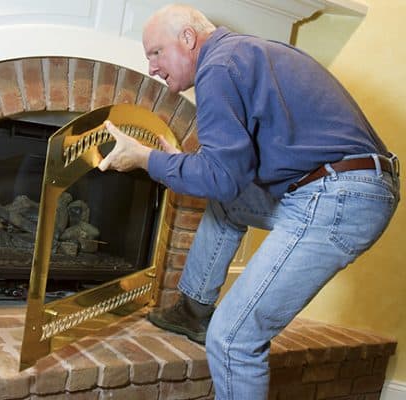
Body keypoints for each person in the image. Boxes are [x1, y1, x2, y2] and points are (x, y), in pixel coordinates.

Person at [97, 3, 400, 399]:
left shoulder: (217, 68)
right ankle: (193, 311)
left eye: (156, 52)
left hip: (338, 197)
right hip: (344, 187)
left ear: (188, 39)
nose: (152, 67)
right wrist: (172, 162)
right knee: (231, 205)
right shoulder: (245, 54)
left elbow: (221, 178)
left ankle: (209, 322)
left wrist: (145, 159)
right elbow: (232, 177)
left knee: (233, 339)